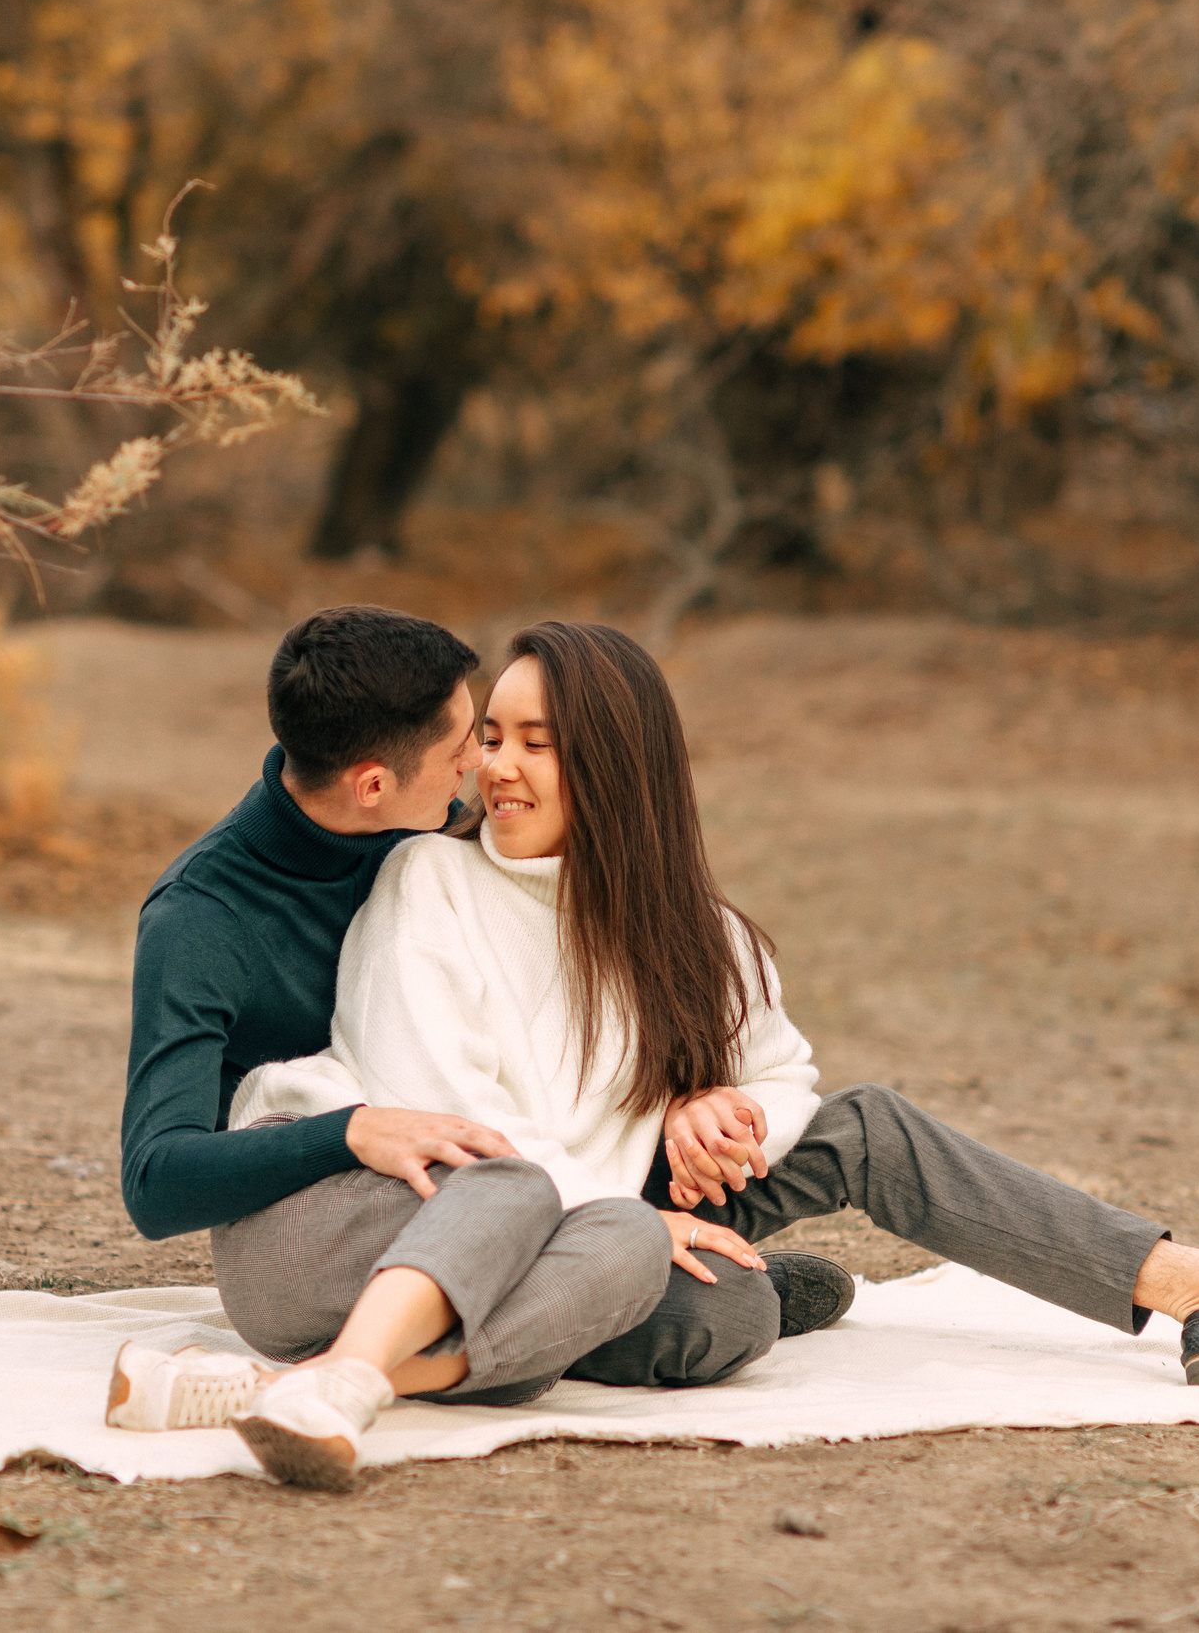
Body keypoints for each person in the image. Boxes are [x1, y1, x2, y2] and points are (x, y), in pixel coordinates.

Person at [211, 621, 1199, 1491]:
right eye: (490, 736)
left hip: (627, 1196)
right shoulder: (430, 884)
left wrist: (722, 1109)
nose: (496, 768)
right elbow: (452, 1116)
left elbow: (784, 1070)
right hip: (489, 1212)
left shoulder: (691, 926)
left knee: (870, 1124)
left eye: (537, 743)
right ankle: (731, 1282)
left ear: (615, 764)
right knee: (724, 1317)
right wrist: (633, 1218)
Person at [108, 606, 812, 1462]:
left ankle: (320, 1384)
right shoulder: (202, 916)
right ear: (374, 785)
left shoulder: (418, 834)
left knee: (719, 1304)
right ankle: (379, 1357)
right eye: (463, 747)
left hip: (448, 1196)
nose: (482, 766)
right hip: (327, 1216)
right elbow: (156, 1181)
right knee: (516, 1180)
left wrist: (688, 1094)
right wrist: (350, 1130)